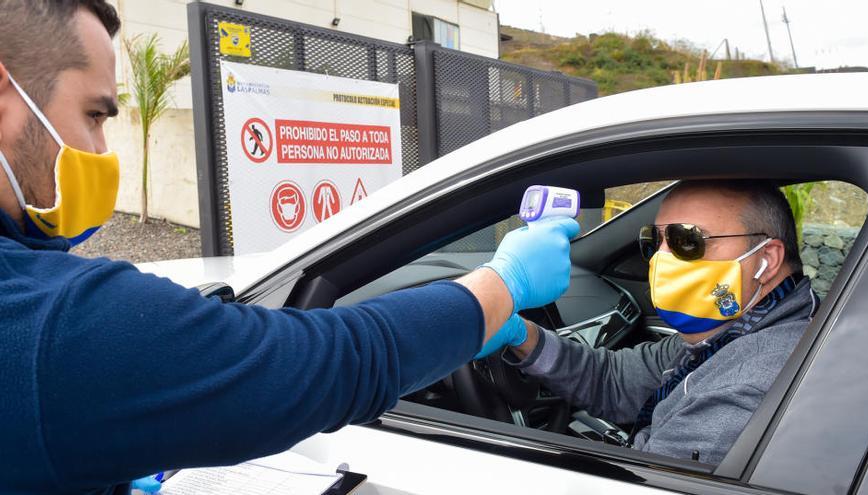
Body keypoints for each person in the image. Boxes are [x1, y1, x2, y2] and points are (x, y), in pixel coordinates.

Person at [0, 1, 579, 492]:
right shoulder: (50, 327)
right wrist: (503, 286)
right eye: (95, 115)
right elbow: (337, 361)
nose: (101, 150)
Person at [496, 180, 819, 465]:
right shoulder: (728, 334)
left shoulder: (747, 389)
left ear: (768, 258)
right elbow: (613, 381)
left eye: (686, 240)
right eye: (656, 240)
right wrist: (519, 334)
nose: (659, 258)